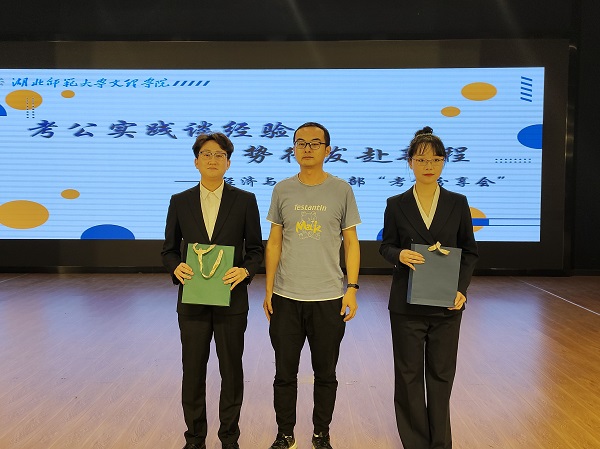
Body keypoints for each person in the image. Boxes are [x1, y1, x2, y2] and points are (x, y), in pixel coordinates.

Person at [161, 132, 264, 449]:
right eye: (206, 154)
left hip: (231, 299)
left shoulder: (244, 201)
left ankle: (229, 438)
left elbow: (256, 250)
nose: (213, 159)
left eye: (220, 155)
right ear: (196, 162)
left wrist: (245, 270)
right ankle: (194, 439)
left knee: (231, 371)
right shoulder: (180, 201)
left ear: (228, 163)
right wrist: (175, 267)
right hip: (192, 300)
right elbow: (169, 250)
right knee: (192, 371)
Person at [262, 122, 361, 449]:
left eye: (315, 143)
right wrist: (268, 289)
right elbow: (274, 242)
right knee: (284, 374)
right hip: (286, 297)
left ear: (327, 150)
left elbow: (351, 242)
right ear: (293, 149)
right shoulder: (282, 189)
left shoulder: (341, 189)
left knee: (326, 374)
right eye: (300, 142)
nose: (307, 148)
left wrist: (352, 287)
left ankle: (321, 434)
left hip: (329, 298)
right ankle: (285, 435)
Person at [379, 126, 478, 449]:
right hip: (406, 304)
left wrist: (461, 289)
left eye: (436, 159)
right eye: (421, 159)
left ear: (444, 162)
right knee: (408, 376)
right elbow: (386, 246)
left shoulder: (457, 202)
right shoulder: (396, 204)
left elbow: (469, 251)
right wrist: (399, 255)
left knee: (441, 376)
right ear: (409, 162)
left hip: (446, 303)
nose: (429, 165)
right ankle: (415, 443)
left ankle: (440, 443)